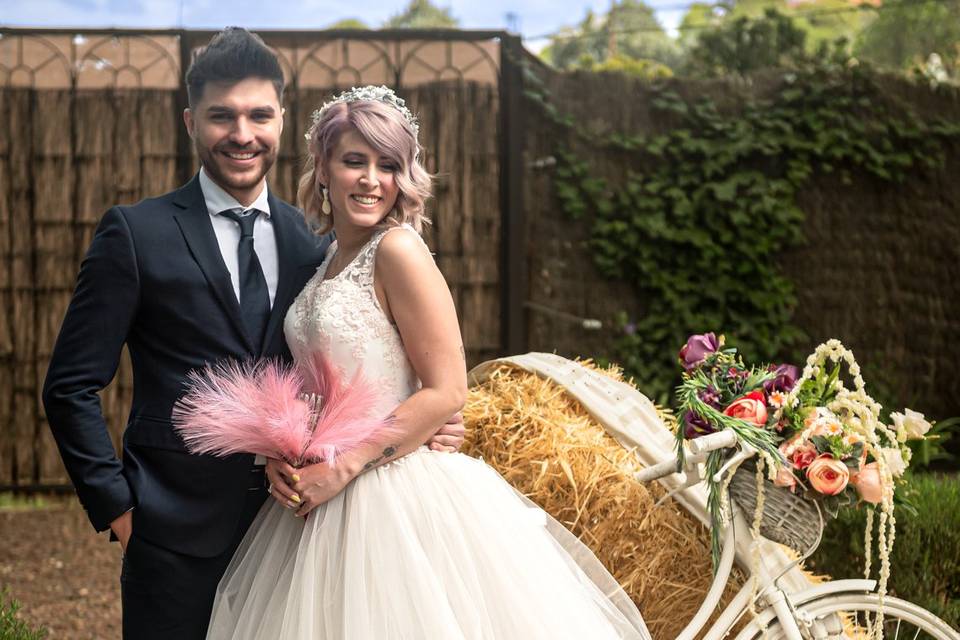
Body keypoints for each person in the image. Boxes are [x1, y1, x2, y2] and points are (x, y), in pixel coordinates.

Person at [41, 29, 462, 640]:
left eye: (259, 115)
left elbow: (354, 364)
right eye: (222, 116)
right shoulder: (136, 233)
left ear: (282, 122)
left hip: (303, 528)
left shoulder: (317, 242)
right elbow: (70, 386)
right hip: (173, 532)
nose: (243, 133)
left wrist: (426, 415)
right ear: (191, 121)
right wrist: (120, 510)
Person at [204, 86, 652, 639]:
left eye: (388, 165)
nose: (371, 179)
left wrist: (343, 468)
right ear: (322, 169)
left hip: (388, 492)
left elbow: (446, 390)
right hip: (316, 499)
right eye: (354, 161)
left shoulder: (398, 251)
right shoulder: (326, 261)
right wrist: (288, 454)